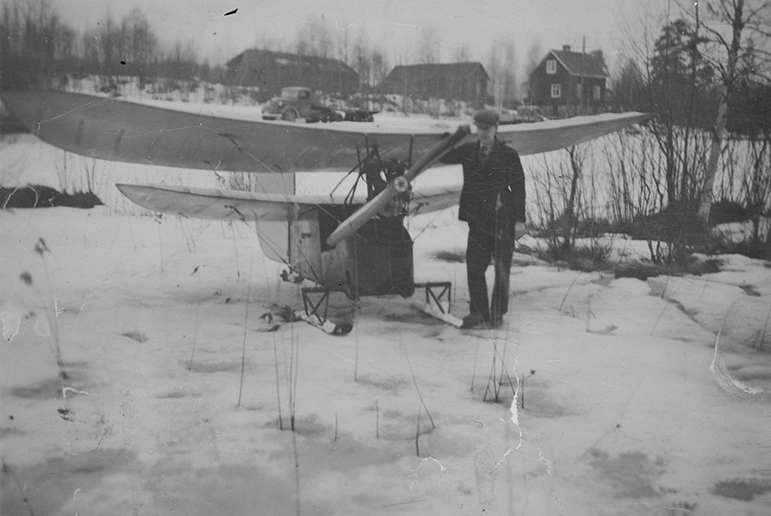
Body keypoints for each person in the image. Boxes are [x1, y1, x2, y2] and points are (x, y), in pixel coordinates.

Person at [440, 109, 526, 328]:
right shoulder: (468, 150)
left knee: (501, 268)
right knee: (474, 267)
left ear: (496, 128)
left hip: (502, 219)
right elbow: (444, 156)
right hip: (477, 219)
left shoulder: (508, 154)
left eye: (487, 128)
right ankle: (478, 313)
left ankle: (497, 313)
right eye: (480, 128)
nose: (483, 132)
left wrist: (519, 220)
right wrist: (452, 136)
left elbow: (518, 188)